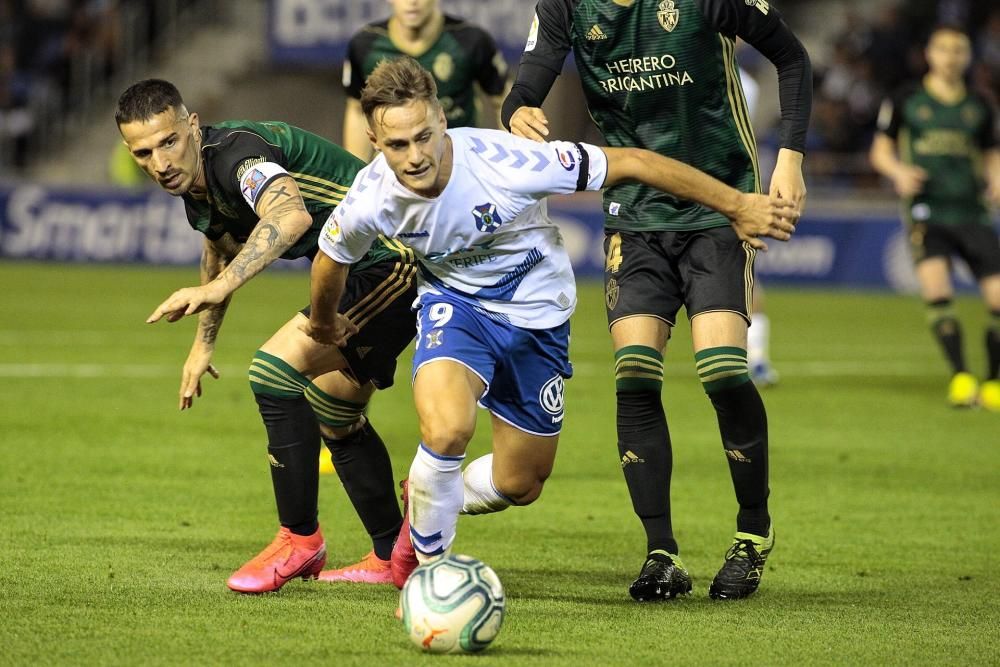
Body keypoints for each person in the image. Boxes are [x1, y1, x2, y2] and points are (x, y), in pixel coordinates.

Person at [304, 56, 798, 592]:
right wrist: (325, 324)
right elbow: (332, 257)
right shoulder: (371, 196)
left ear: (443, 119)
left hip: (539, 319)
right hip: (457, 306)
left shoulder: (510, 161)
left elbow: (633, 162)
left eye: (424, 136)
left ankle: (428, 492)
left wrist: (736, 204)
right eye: (398, 145)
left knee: (522, 480)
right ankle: (428, 580)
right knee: (446, 429)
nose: (416, 156)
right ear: (376, 142)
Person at [502, 0, 812, 601]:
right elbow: (526, 86)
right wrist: (518, 112)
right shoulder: (566, 6)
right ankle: (660, 553)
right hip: (634, 214)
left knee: (723, 372)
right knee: (636, 376)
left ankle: (753, 532)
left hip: (722, 207)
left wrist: (791, 161)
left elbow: (792, 57)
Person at [115, 79, 417, 592]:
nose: (160, 161)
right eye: (144, 152)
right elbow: (220, 244)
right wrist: (203, 342)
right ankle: (394, 556)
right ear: (130, 152)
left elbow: (289, 214)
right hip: (356, 269)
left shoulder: (237, 157)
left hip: (393, 260)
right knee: (336, 414)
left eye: (169, 141)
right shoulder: (196, 185)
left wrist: (223, 286)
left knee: (273, 371)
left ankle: (300, 540)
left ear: (191, 125)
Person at [871, 25, 1000, 411]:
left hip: (972, 211)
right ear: (929, 53)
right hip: (927, 210)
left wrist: (996, 180)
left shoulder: (980, 104)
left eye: (958, 49)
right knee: (938, 293)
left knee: (997, 299)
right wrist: (897, 173)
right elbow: (880, 151)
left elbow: (991, 153)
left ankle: (993, 382)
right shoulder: (906, 98)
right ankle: (961, 376)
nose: (951, 56)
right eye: (943, 48)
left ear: (967, 56)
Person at [342, 0, 508, 161]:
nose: (412, 1)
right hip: (396, 165)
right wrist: (356, 173)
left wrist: (511, 161)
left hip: (462, 160)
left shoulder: (472, 40)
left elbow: (503, 99)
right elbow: (358, 109)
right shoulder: (364, 45)